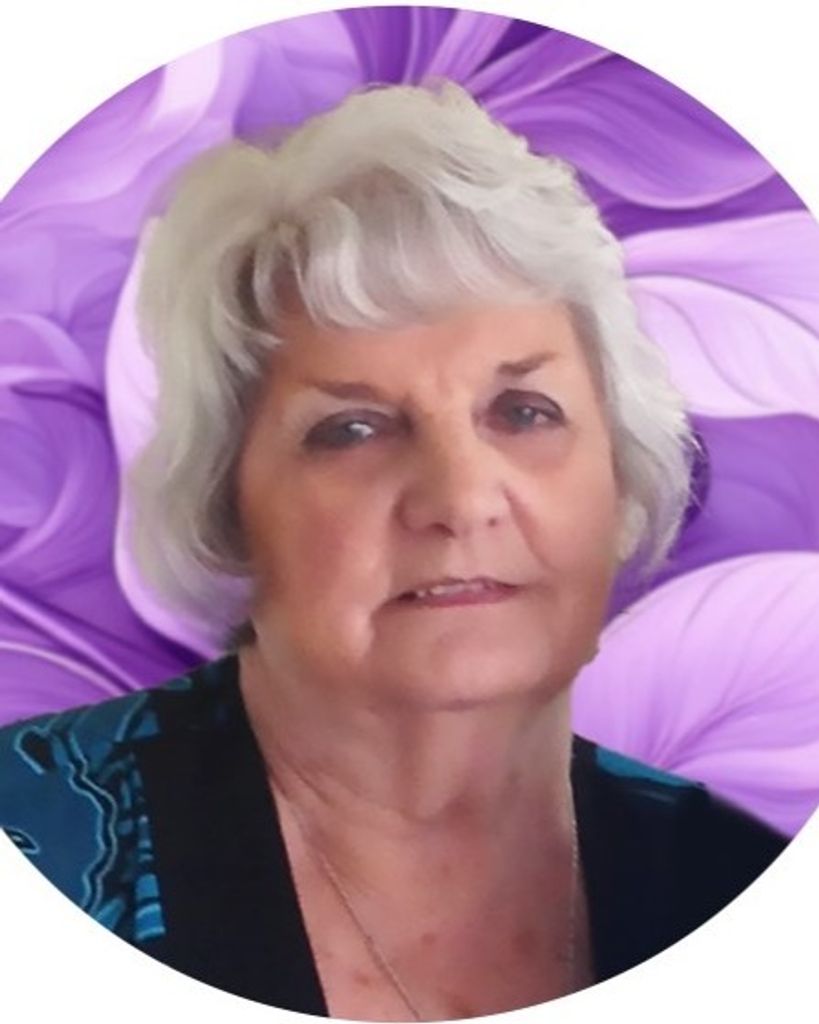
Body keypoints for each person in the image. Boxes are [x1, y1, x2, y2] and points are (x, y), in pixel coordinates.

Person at [0, 82, 786, 1021]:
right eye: (353, 429)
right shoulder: (32, 841)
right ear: (227, 503)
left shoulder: (743, 890)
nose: (460, 499)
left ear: (620, 478)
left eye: (524, 412)